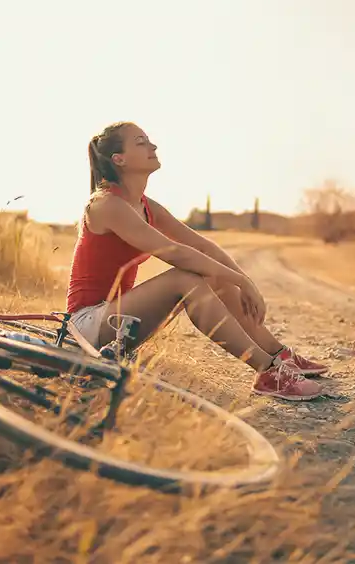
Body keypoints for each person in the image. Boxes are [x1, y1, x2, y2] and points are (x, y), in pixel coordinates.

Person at [65, 121, 328, 401]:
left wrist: (242, 279)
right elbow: (174, 252)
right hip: (86, 326)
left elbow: (202, 245)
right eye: (141, 142)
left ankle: (279, 354)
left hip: (119, 324)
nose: (152, 146)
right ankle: (267, 371)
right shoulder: (106, 204)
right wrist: (239, 280)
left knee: (213, 275)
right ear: (119, 159)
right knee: (185, 277)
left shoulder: (145, 205)